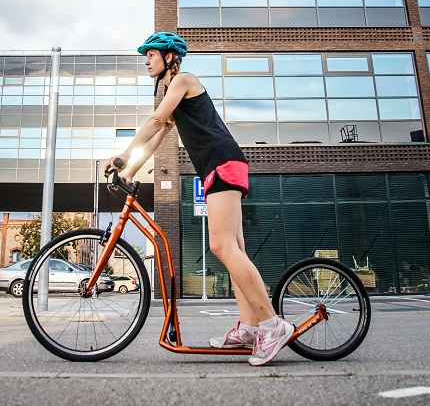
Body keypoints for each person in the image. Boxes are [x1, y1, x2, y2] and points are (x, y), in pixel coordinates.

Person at [105, 31, 294, 366]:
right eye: (145, 56)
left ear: (169, 57)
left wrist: (120, 156)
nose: (146, 61)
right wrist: (131, 169)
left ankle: (271, 325)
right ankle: (250, 327)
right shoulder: (173, 96)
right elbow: (156, 138)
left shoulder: (184, 81)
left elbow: (154, 120)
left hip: (222, 162)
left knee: (221, 247)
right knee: (234, 249)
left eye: (151, 54)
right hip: (217, 167)